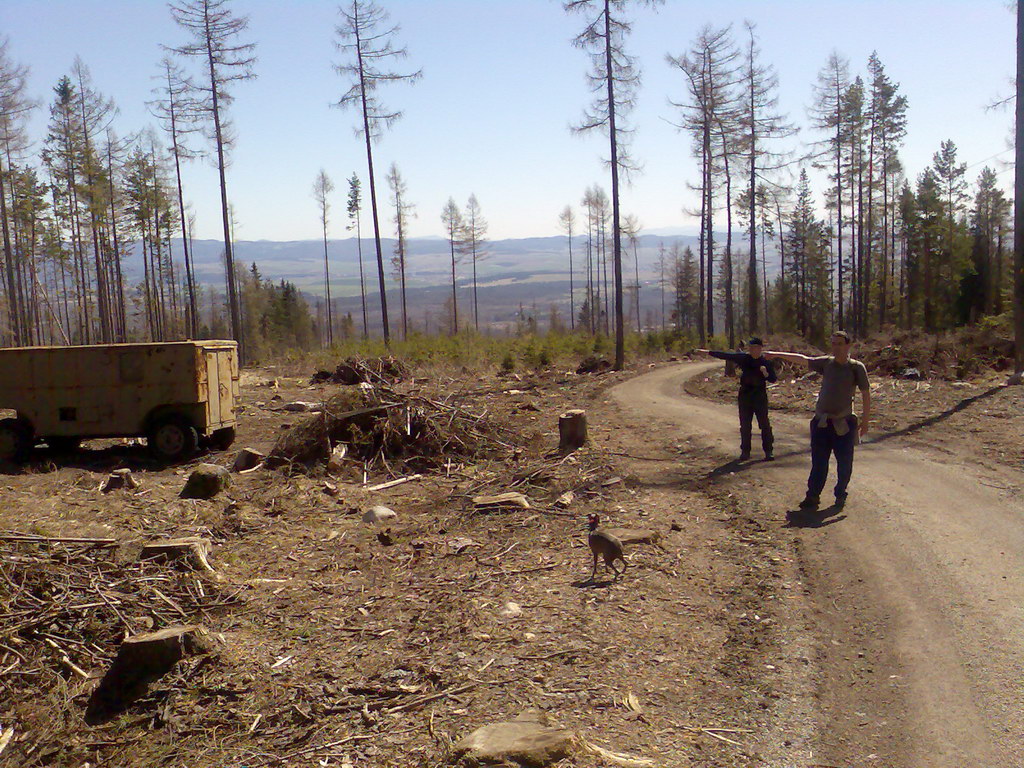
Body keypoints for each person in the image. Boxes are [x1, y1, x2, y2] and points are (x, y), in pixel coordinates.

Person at [764, 331, 871, 512]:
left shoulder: (856, 368)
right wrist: (776, 354)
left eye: (839, 344)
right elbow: (802, 359)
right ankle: (812, 496)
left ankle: (840, 493)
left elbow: (866, 394)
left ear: (848, 346)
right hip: (821, 422)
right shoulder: (826, 364)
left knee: (845, 464)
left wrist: (865, 421)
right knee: (819, 463)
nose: (836, 347)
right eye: (833, 344)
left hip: (844, 423)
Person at [696, 337, 777, 461]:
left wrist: (765, 373)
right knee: (745, 425)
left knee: (764, 424)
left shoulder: (766, 362)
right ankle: (745, 452)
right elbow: (726, 356)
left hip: (760, 396)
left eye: (756, 348)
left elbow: (773, 379)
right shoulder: (744, 358)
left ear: (760, 349)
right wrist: (708, 352)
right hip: (745, 395)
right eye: (751, 347)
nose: (753, 350)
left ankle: (768, 451)